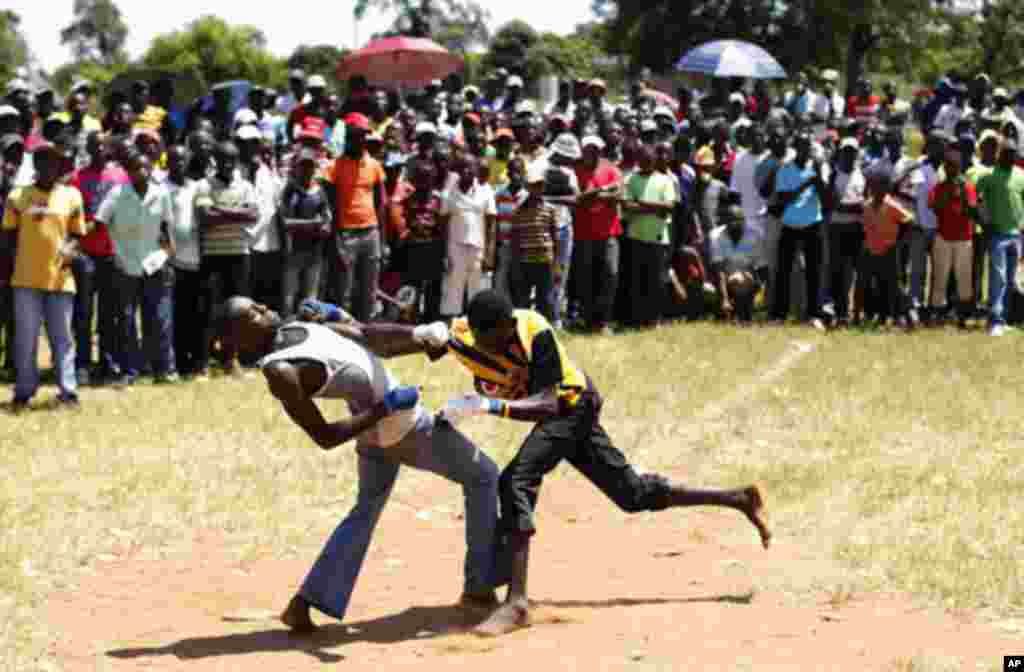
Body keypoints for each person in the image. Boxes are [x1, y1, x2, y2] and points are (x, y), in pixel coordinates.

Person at [432, 289, 770, 636]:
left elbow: (550, 404)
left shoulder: (535, 331)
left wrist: (487, 406)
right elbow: (404, 340)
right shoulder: (466, 333)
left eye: (492, 339)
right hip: (562, 415)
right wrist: (417, 335)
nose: (487, 347)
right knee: (633, 495)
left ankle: (516, 602)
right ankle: (738, 498)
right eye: (481, 339)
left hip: (573, 407)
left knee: (516, 479)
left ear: (507, 325)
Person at [215, 296, 501, 631]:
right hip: (403, 430)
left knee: (365, 511)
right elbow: (324, 436)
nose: (267, 308)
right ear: (241, 335)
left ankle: (304, 604)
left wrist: (420, 337)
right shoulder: (281, 370)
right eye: (255, 313)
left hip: (377, 438)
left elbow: (368, 336)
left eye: (260, 305)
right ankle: (479, 590)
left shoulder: (297, 327)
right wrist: (386, 406)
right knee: (483, 475)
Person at [1, 142, 87, 408]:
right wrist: (16, 264)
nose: (47, 166)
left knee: (62, 338)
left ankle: (68, 391)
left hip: (61, 279)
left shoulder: (72, 196)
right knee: (25, 338)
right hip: (26, 279)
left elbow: (77, 235)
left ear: (59, 165)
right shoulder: (18, 196)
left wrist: (71, 250)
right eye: (41, 161)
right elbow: (8, 236)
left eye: (52, 161)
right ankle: (24, 390)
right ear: (35, 165)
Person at [97, 151, 178, 384]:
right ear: (128, 172)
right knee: (126, 320)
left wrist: (168, 256)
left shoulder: (161, 195)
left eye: (145, 167)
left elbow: (166, 228)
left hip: (155, 263)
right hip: (126, 265)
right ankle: (129, 371)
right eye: (135, 168)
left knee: (159, 319)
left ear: (151, 169)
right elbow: (100, 223)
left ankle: (163, 370)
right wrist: (112, 252)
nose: (141, 172)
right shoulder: (117, 194)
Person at [68, 131, 130, 385]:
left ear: (110, 149)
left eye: (103, 146)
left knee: (109, 313)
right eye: (94, 146)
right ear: (88, 149)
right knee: (83, 313)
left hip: (112, 252)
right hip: (85, 253)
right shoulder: (77, 177)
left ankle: (108, 363)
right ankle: (82, 364)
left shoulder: (120, 176)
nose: (99, 151)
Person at [195, 141, 261, 375]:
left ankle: (231, 360)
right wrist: (237, 214)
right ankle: (203, 361)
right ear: (215, 160)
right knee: (209, 309)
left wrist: (221, 212)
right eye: (223, 159)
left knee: (239, 310)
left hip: (239, 254)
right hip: (212, 255)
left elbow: (253, 215)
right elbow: (205, 217)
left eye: (232, 160)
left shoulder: (246, 186)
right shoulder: (204, 185)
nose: (228, 164)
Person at [326, 113, 386, 322]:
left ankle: (367, 335)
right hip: (346, 234)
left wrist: (382, 239)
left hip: (371, 233)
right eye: (356, 135)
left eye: (363, 136)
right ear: (347, 136)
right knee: (344, 292)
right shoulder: (334, 167)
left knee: (369, 291)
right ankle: (343, 336)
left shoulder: (374, 165)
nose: (360, 140)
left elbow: (381, 204)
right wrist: (335, 240)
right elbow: (329, 208)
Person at [770, 131, 830, 327]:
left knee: (815, 271)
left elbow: (826, 199)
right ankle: (779, 314)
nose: (805, 151)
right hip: (790, 224)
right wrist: (806, 184)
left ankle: (814, 314)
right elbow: (783, 199)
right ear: (795, 149)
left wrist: (818, 178)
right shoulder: (785, 170)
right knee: (783, 271)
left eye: (808, 147)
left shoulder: (819, 167)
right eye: (801, 147)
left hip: (813, 223)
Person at [623, 144, 678, 327]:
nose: (647, 163)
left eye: (650, 160)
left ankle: (654, 318)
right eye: (643, 160)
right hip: (636, 236)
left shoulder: (665, 180)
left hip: (658, 237)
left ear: (654, 161)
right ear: (638, 161)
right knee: (637, 280)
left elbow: (670, 206)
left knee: (657, 280)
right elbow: (627, 206)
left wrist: (642, 203)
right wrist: (656, 208)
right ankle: (636, 319)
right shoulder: (631, 179)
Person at [975, 137, 1024, 336]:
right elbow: (975, 199)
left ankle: (1004, 319)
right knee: (998, 278)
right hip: (997, 235)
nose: (1011, 157)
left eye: (1013, 154)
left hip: (1017, 235)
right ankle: (994, 320)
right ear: (1000, 154)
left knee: (1011, 280)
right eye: (1007, 153)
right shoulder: (989, 176)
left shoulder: (1021, 175)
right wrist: (984, 221)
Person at [573, 136, 623, 333]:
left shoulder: (611, 169)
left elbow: (618, 196)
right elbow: (578, 199)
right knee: (585, 277)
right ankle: (587, 319)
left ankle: (603, 321)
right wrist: (603, 194)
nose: (590, 154)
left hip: (609, 232)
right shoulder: (576, 170)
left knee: (610, 274)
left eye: (594, 150)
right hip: (584, 233)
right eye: (587, 150)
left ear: (600, 152)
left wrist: (593, 194)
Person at [440, 155, 496, 320]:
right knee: (453, 288)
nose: (467, 170)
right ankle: (452, 326)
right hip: (455, 248)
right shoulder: (448, 193)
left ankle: (477, 325)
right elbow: (443, 224)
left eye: (471, 167)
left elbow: (491, 224)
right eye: (463, 167)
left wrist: (489, 254)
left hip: (479, 247)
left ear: (477, 170)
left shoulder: (486, 191)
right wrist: (444, 253)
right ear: (457, 171)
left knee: (478, 290)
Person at [928, 142, 977, 327]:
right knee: (940, 276)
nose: (951, 170)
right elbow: (935, 207)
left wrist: (962, 191)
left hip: (964, 238)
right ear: (944, 167)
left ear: (960, 167)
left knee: (963, 277)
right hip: (943, 237)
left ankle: (963, 316)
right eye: (948, 166)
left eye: (954, 166)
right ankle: (937, 314)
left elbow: (971, 211)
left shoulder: (968, 186)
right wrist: (950, 191)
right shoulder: (938, 188)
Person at [859, 166, 915, 327]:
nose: (877, 189)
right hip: (872, 250)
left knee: (894, 285)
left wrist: (899, 240)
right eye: (874, 186)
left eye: (881, 186)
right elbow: (866, 227)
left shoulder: (891, 205)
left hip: (889, 250)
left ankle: (907, 315)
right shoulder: (867, 205)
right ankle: (881, 315)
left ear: (886, 188)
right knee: (877, 284)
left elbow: (909, 220)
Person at [709, 201, 769, 323]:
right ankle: (735, 312)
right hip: (725, 280)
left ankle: (743, 313)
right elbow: (719, 271)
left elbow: (762, 268)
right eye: (731, 221)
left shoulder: (755, 235)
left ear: (744, 221)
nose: (735, 224)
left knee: (741, 279)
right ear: (725, 222)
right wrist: (724, 299)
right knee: (736, 280)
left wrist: (762, 293)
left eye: (738, 221)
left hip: (749, 278)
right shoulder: (715, 236)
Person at [829, 138, 867, 326]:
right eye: (846, 151)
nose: (849, 155)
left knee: (859, 271)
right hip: (838, 229)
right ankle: (841, 311)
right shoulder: (832, 175)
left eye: (852, 152)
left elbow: (865, 204)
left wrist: (847, 207)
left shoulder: (862, 174)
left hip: (858, 229)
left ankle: (857, 312)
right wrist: (855, 207)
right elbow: (833, 205)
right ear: (840, 153)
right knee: (840, 272)